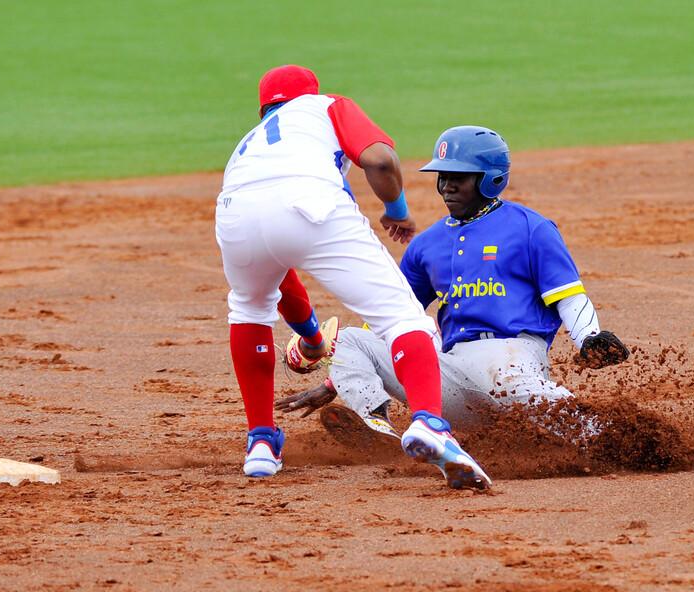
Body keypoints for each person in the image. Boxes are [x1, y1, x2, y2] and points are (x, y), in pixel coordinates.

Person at [216, 65, 490, 489]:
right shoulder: (326, 106)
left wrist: (311, 339)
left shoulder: (250, 148)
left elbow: (283, 271)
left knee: (249, 310)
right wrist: (396, 208)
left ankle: (261, 445)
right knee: (401, 317)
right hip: (310, 202)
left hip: (233, 213)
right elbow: (379, 159)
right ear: (309, 93)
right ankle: (430, 423)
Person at [276, 125, 629, 451]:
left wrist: (589, 337)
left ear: (490, 180)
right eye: (442, 176)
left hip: (511, 365)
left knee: (598, 438)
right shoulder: (425, 245)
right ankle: (378, 429)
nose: (446, 185)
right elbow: (390, 319)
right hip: (453, 375)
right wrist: (334, 383)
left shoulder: (530, 228)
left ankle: (630, 445)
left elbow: (568, 294)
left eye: (458, 177)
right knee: (352, 341)